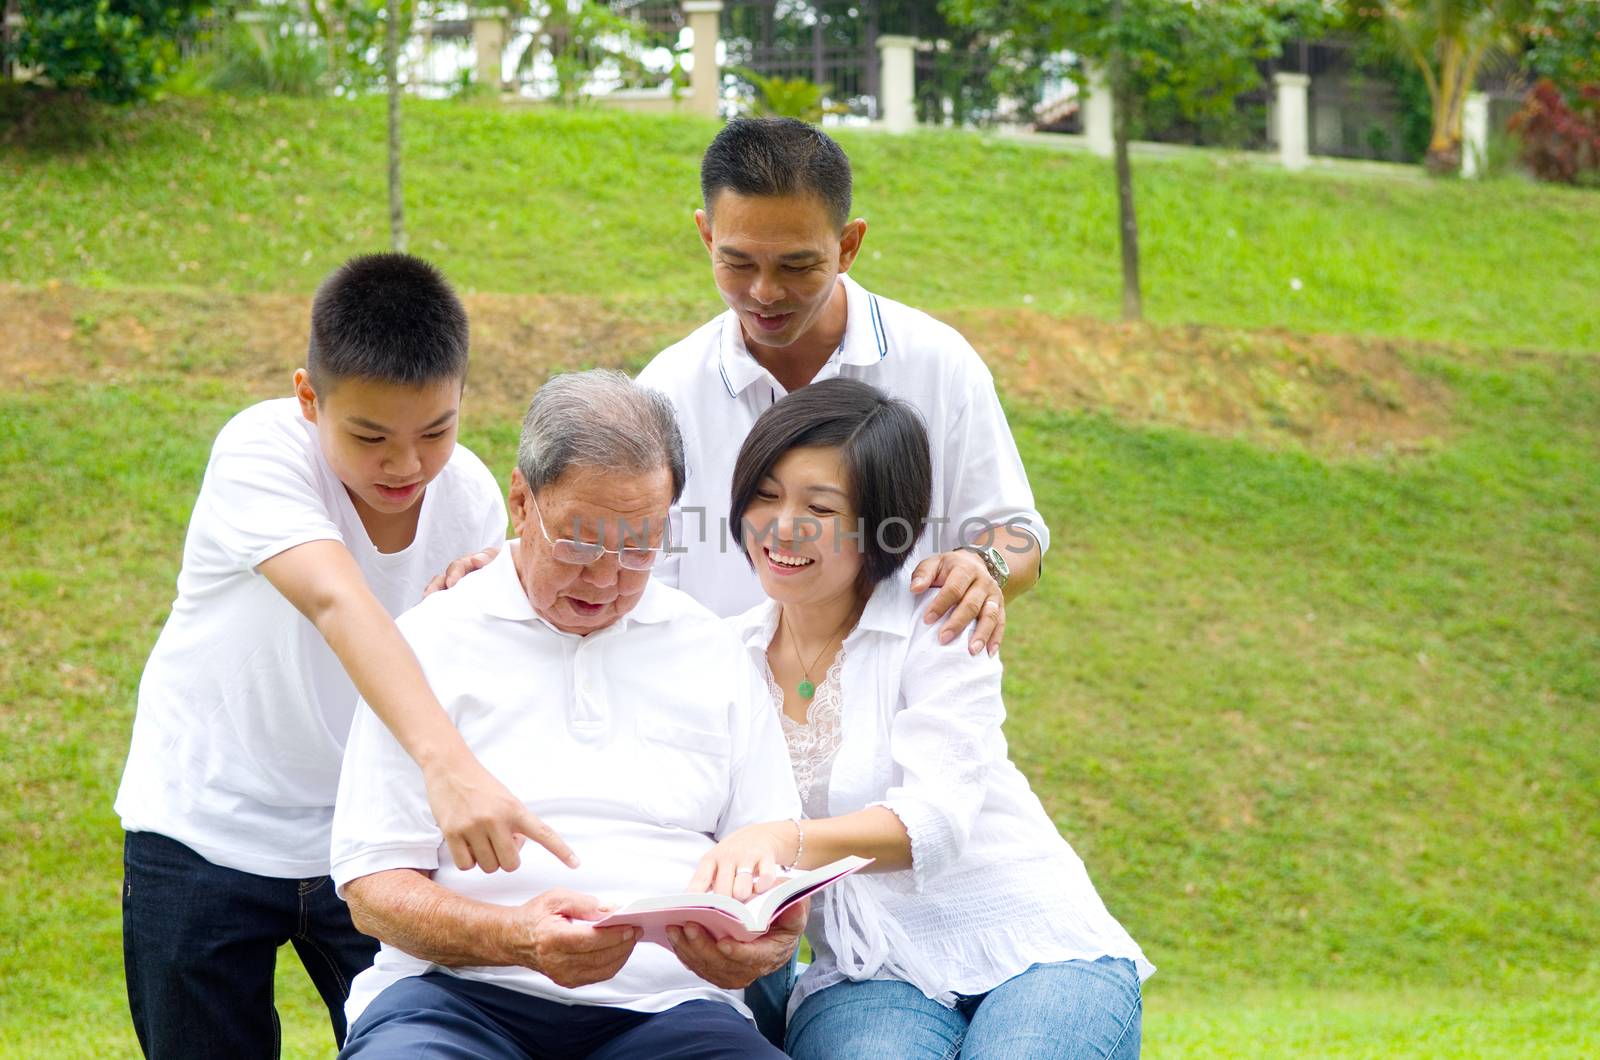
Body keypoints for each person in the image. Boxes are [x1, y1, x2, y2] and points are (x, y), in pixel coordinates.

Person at [115, 254, 573, 1059]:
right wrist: (450, 768)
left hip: (368, 847)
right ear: (307, 398)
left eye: (436, 430)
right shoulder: (260, 451)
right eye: (369, 436)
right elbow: (338, 601)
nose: (405, 465)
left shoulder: (465, 492)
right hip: (203, 828)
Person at [330, 370, 804, 1060]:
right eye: (581, 544)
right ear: (522, 499)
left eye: (639, 548)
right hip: (457, 998)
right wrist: (514, 936)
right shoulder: (432, 639)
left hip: (669, 1009)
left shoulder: (712, 650)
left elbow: (778, 857)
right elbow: (373, 888)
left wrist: (769, 941)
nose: (607, 579)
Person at [694, 378, 1153, 1059]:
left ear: (885, 526)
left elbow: (936, 822)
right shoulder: (720, 656)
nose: (781, 526)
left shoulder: (939, 619)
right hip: (866, 971)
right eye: (764, 496)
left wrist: (781, 840)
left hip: (1037, 943)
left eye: (818, 507)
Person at [634, 117, 1048, 654]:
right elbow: (631, 572)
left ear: (848, 245)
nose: (764, 292)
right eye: (737, 261)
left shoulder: (938, 364)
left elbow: (1018, 533)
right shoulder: (664, 392)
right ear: (706, 235)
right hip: (717, 717)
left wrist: (984, 564)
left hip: (897, 713)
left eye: (796, 265)